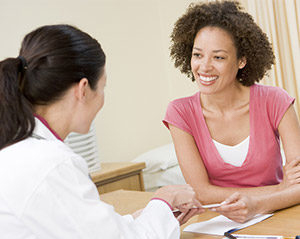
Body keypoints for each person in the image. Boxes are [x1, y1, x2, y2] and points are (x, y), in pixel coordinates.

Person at [0, 24, 205, 239]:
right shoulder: (52, 164)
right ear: (83, 89)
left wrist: (147, 217)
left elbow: (86, 229)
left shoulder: (20, 150)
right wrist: (163, 199)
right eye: (103, 87)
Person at [163, 0, 300, 223]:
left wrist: (258, 204)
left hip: (278, 216)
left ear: (242, 61)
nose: (204, 67)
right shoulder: (180, 112)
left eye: (218, 57)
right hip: (216, 224)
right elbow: (201, 192)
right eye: (198, 55)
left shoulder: (275, 100)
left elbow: (299, 185)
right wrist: (279, 189)